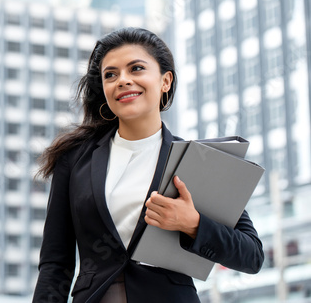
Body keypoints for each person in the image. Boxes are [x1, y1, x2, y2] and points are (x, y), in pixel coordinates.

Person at [32, 27, 264, 303]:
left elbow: (252, 255)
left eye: (136, 68)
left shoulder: (198, 161)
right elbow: (55, 265)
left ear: (165, 81)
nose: (123, 80)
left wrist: (193, 224)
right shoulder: (74, 160)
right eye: (111, 74)